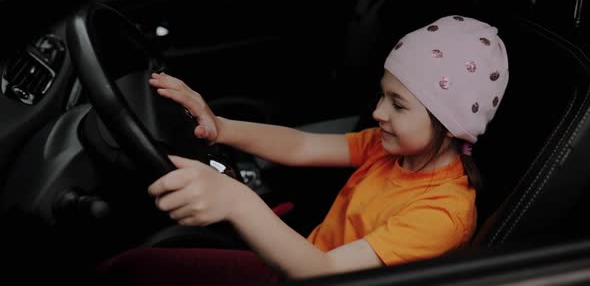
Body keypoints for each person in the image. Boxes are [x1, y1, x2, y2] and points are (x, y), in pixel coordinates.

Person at [95, 15, 509, 285]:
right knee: (133, 268)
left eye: (398, 105)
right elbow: (301, 145)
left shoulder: (442, 214)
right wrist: (220, 126)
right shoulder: (392, 151)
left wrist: (237, 202)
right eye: (383, 96)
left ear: (451, 123)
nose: (378, 112)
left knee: (132, 272)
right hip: (300, 259)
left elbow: (322, 272)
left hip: (308, 272)